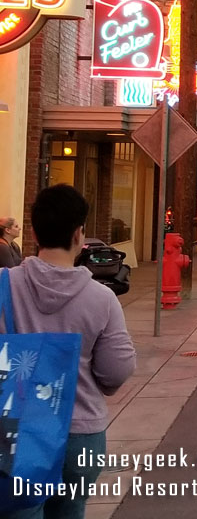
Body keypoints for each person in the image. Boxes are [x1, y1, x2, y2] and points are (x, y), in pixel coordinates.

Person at [2, 187, 135, 519]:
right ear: (80, 234)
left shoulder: (3, 284)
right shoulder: (101, 298)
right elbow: (116, 370)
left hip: (15, 433)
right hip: (81, 433)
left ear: (33, 232)